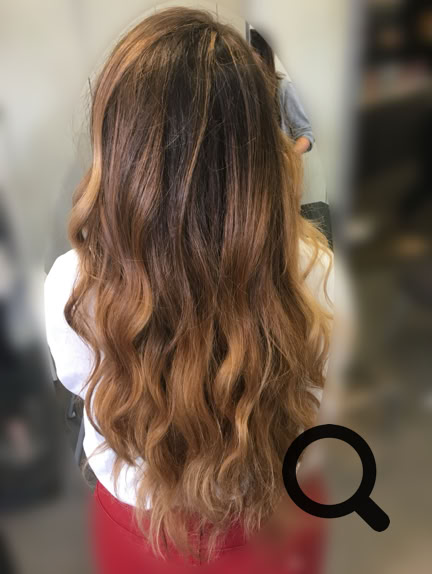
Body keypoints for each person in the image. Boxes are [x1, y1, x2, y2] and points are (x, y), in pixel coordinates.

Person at [45, 8, 334, 573]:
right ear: (259, 145)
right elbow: (323, 402)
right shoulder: (315, 270)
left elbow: (83, 389)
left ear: (118, 143)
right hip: (277, 519)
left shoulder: (72, 287)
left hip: (141, 529)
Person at [250, 29, 315, 155]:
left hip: (277, 163)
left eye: (249, 51)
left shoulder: (283, 87)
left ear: (262, 54)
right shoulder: (242, 88)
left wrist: (288, 158)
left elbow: (306, 132)